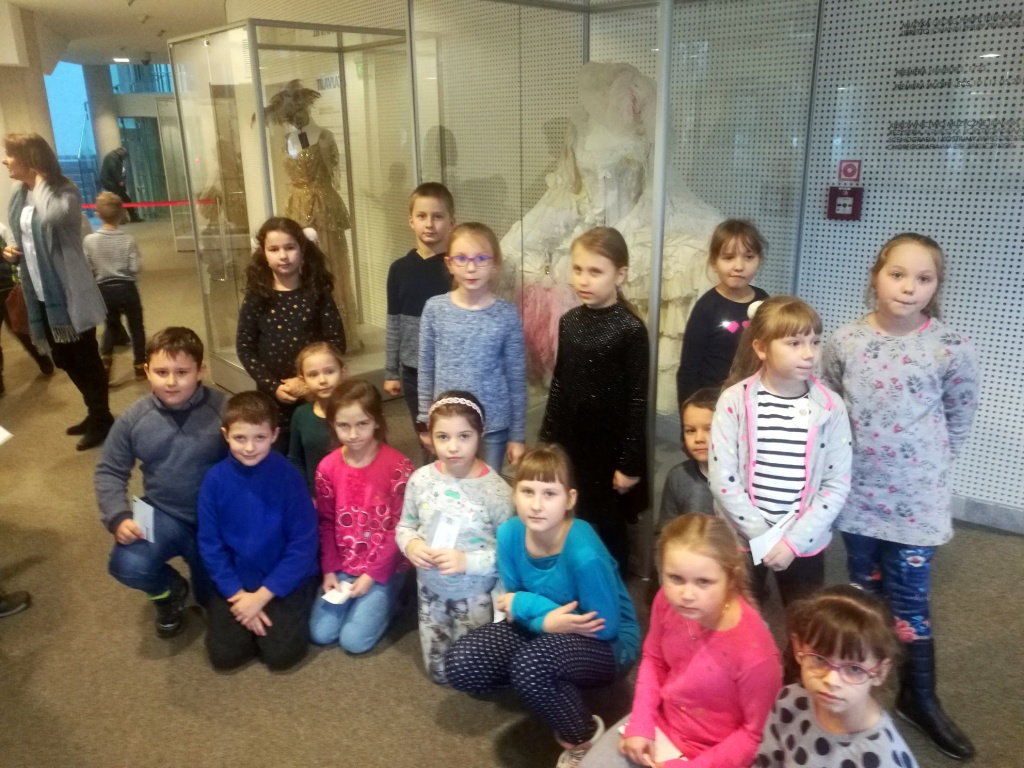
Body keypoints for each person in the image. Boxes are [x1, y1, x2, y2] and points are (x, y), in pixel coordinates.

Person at [821, 233, 979, 760]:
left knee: (910, 603)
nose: (910, 287)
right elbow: (830, 404)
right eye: (898, 274)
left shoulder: (950, 347)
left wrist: (926, 466)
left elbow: (958, 417)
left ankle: (919, 698)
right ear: (876, 276)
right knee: (864, 596)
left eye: (924, 278)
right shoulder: (845, 341)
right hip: (859, 498)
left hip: (916, 504)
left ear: (936, 286)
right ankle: (858, 688)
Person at [446, 445, 641, 768]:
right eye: (527, 491)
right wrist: (545, 622)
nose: (536, 505)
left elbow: (604, 627)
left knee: (531, 667)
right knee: (462, 664)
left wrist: (534, 610)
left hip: (608, 643)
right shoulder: (510, 534)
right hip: (545, 624)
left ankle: (583, 737)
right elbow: (514, 602)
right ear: (515, 493)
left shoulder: (584, 553)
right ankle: (545, 683)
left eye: (549, 493)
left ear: (570, 499)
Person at [581, 514, 782, 768]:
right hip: (664, 725)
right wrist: (641, 722)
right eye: (675, 578)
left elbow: (755, 736)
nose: (686, 595)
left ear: (731, 579)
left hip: (717, 753)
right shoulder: (666, 602)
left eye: (703, 582)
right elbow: (654, 660)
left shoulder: (757, 654)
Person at [709, 296, 851, 606]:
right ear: (761, 348)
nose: (809, 353)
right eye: (794, 343)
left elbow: (836, 483)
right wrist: (763, 537)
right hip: (743, 537)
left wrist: (792, 543)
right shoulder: (734, 401)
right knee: (739, 615)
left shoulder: (831, 406)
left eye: (815, 342)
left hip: (804, 539)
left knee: (804, 617)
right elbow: (722, 477)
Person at [95, 327, 227, 638]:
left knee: (210, 597)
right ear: (146, 371)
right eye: (161, 372)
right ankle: (169, 592)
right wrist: (118, 516)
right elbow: (109, 470)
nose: (171, 382)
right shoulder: (133, 419)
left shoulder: (225, 409)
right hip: (163, 511)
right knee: (128, 565)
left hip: (215, 520)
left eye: (182, 372)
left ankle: (203, 583)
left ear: (200, 371)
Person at [539, 226, 649, 574]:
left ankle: (614, 583)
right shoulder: (569, 322)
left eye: (595, 271)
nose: (583, 280)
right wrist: (548, 439)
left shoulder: (631, 330)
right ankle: (577, 573)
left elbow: (637, 400)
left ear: (620, 275)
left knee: (609, 521)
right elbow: (560, 382)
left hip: (610, 446)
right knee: (572, 512)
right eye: (578, 269)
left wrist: (630, 464)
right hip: (572, 440)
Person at [3, 132, 112, 450]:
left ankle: (102, 416)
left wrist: (39, 179)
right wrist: (12, 251)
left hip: (69, 292)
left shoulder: (64, 191)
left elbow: (52, 216)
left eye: (10, 154)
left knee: (85, 357)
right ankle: (95, 411)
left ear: (30, 158)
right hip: (40, 293)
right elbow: (23, 237)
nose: (5, 160)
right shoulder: (18, 196)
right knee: (63, 357)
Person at [396, 392, 514, 684]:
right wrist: (411, 545)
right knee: (438, 672)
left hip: (475, 596)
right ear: (429, 437)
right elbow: (405, 526)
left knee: (472, 672)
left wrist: (467, 562)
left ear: (480, 434)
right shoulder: (420, 480)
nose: (452, 447)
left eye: (464, 436)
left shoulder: (497, 492)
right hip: (429, 590)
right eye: (443, 436)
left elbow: (510, 555)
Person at [196, 391, 318, 671]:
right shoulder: (214, 480)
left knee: (281, 656)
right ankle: (247, 617)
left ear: (274, 435)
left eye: (259, 437)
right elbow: (210, 544)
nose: (249, 447)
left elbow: (303, 544)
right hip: (236, 579)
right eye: (240, 438)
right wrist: (239, 596)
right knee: (225, 657)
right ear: (226, 435)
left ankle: (287, 607)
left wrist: (261, 598)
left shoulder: (288, 477)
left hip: (282, 577)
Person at [755, 585, 919, 768]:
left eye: (854, 669)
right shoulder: (789, 702)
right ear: (798, 648)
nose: (831, 681)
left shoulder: (886, 761)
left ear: (880, 671)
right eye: (819, 659)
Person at [309, 380, 414, 653]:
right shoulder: (327, 467)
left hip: (384, 566)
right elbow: (326, 521)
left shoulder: (398, 467)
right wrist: (329, 569)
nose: (353, 434)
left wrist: (372, 575)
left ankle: (393, 602)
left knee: (354, 641)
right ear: (332, 424)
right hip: (344, 563)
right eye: (343, 425)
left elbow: (400, 527)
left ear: (377, 421)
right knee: (321, 633)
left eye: (362, 424)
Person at [417, 222, 526, 472]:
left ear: (495, 264)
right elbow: (426, 369)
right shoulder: (435, 309)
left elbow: (516, 378)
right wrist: (424, 421)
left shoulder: (506, 314)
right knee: (449, 487)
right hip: (447, 423)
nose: (471, 267)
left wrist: (517, 436)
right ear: (449, 263)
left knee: (487, 487)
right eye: (462, 258)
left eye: (481, 258)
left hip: (492, 426)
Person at [236, 216, 345, 451]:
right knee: (279, 451)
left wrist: (306, 382)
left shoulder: (317, 293)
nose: (283, 256)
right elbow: (245, 347)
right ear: (264, 254)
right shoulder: (257, 297)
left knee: (318, 448)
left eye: (290, 247)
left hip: (316, 393)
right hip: (273, 396)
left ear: (302, 251)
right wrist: (273, 386)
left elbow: (335, 341)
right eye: (274, 249)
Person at [384, 182, 455, 439]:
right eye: (422, 216)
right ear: (411, 221)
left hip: (449, 368)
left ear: (451, 222)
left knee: (453, 434)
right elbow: (393, 323)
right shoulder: (399, 269)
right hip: (412, 371)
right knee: (425, 436)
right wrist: (391, 371)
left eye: (438, 217)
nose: (430, 224)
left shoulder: (457, 268)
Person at [676, 219, 769, 406]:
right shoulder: (706, 307)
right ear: (714, 262)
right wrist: (690, 414)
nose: (739, 266)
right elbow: (689, 368)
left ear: (759, 260)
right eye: (728, 258)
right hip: (714, 403)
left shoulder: (764, 300)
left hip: (754, 401)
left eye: (748, 257)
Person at [83, 191, 147, 380]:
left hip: (104, 290)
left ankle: (105, 360)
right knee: (136, 327)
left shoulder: (89, 241)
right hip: (127, 288)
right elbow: (135, 267)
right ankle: (139, 365)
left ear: (97, 214)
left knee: (111, 325)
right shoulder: (128, 240)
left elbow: (88, 268)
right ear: (121, 214)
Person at [0, 221, 53, 394]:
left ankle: (43, 360)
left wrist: (9, 254)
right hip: (6, 287)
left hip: (5, 288)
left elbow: (14, 252)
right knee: (19, 329)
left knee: (19, 328)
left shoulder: (1, 228)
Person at [287, 341, 346, 493]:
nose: (322, 380)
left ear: (342, 372)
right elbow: (295, 459)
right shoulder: (301, 414)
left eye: (330, 372)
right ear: (303, 380)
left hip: (356, 494)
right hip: (318, 497)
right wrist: (306, 493)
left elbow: (378, 451)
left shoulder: (358, 412)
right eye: (313, 375)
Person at [659, 387, 718, 524]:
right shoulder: (678, 477)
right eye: (690, 430)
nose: (698, 439)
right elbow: (666, 531)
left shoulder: (752, 477)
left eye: (709, 429)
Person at [98, 147, 141, 223]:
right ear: (121, 154)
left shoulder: (112, 156)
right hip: (111, 183)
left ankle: (127, 217)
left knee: (122, 200)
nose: (124, 159)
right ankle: (129, 217)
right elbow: (114, 169)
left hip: (110, 182)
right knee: (123, 200)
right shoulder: (113, 158)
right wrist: (120, 180)